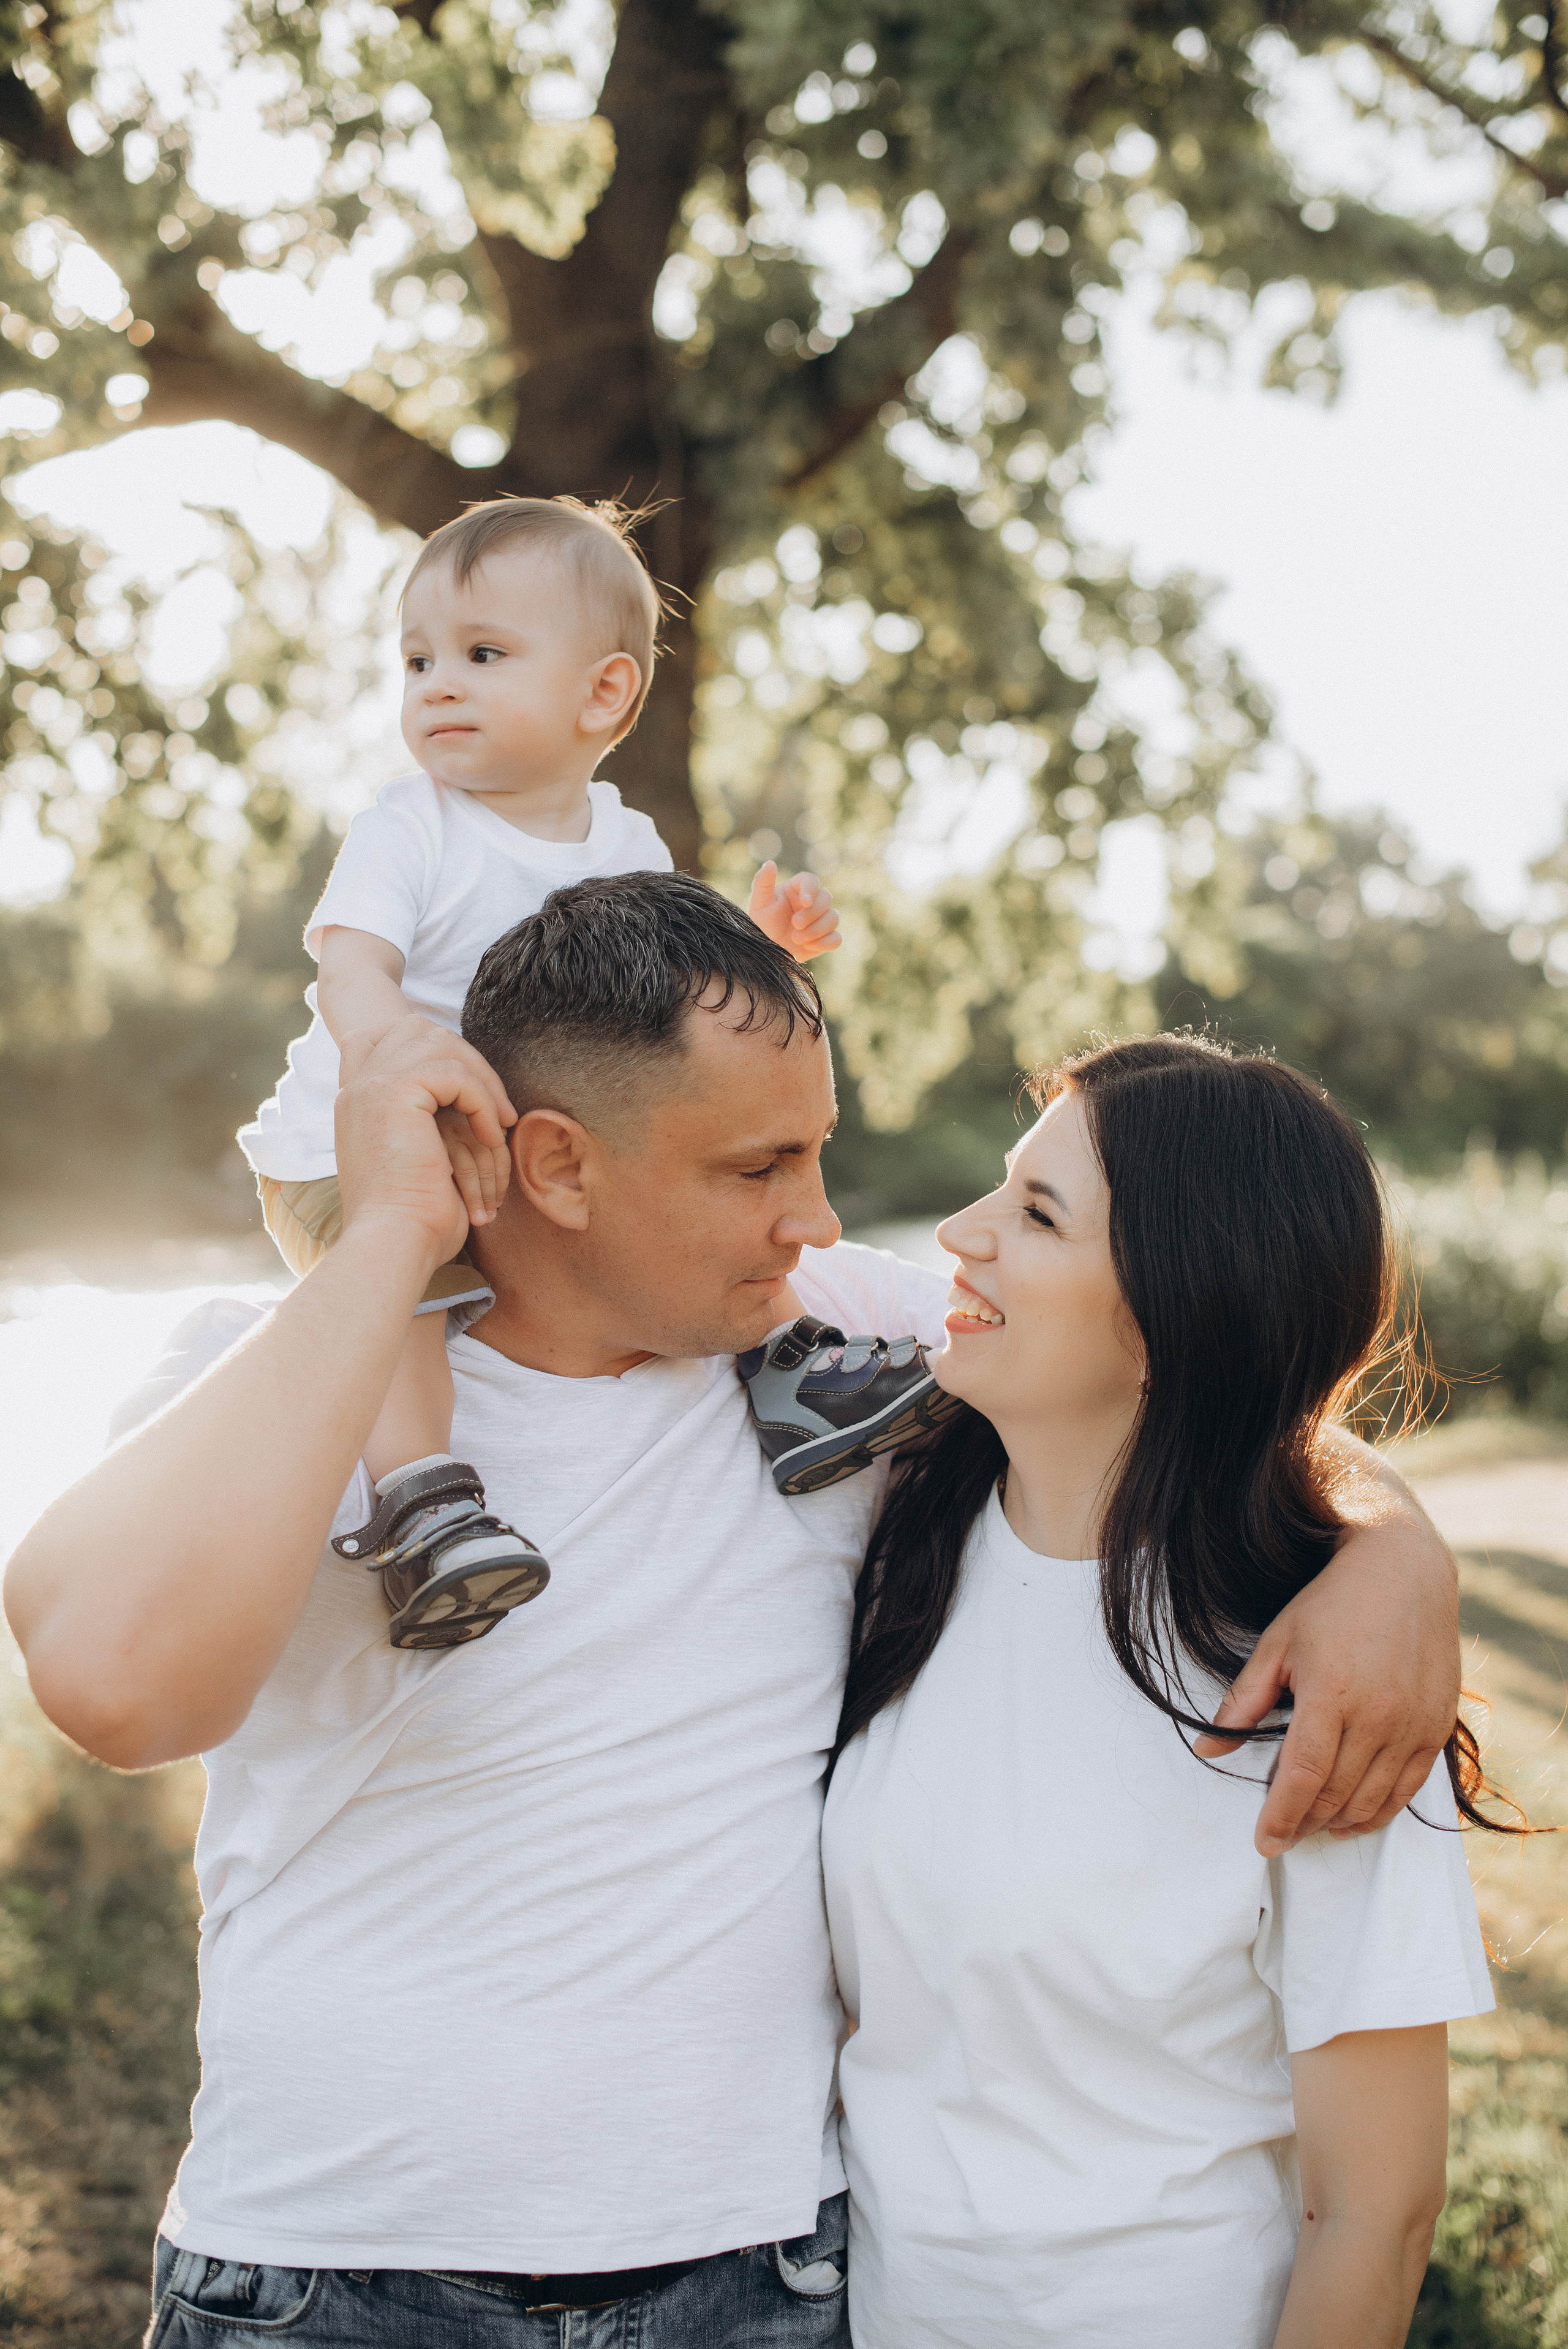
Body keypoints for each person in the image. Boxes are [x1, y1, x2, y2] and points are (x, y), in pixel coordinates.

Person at [4, 882, 1463, 2349]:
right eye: (760, 1165)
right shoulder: (279, 1375)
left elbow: (1178, 1360)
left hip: (747, 2286)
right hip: (330, 2279)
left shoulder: (821, 1352)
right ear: (556, 1167)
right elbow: (115, 1687)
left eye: (815, 1153)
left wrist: (1390, 1556)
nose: (816, 1217)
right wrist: (391, 1230)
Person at [823, 1034, 1507, 2349]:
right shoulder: (888, 1523)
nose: (958, 1235)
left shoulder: (1324, 1696)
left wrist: (1389, 1557)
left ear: (1169, 1315)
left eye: (1034, 1214)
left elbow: (1372, 2214)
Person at [236, 491, 845, 1649]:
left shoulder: (625, 843)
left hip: (512, 1145)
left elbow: (663, 1003)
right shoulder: (409, 828)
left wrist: (761, 946)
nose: (437, 686)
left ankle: (789, 1375)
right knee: (407, 1277)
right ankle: (425, 1507)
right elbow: (348, 968)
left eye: (481, 654)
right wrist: (389, 1057)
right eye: (416, 661)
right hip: (354, 1147)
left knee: (689, 1184)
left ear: (604, 692)